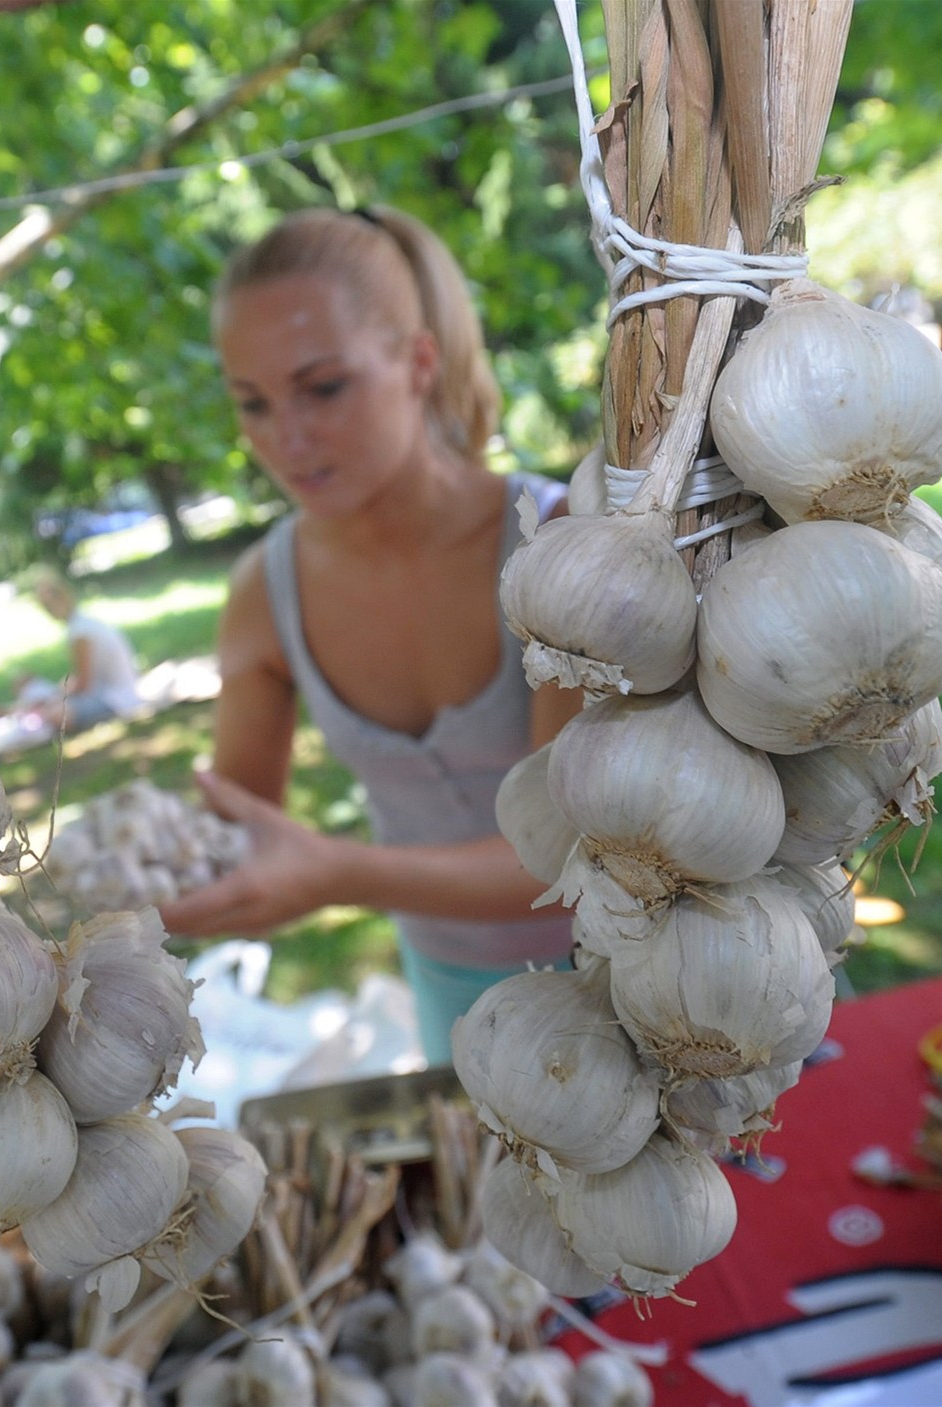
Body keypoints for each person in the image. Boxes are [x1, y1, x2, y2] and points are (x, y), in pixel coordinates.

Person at [157, 204, 582, 1066]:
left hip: (644, 967)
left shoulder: (557, 542)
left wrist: (338, 872)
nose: (287, 437)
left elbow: (583, 854)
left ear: (418, 362)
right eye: (252, 403)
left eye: (323, 387)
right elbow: (235, 841)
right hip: (454, 991)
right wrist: (129, 873)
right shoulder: (265, 591)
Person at [18, 566, 143, 731]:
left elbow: (84, 684)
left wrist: (56, 697)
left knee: (54, 713)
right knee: (36, 692)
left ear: (63, 596)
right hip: (114, 692)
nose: (49, 610)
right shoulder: (82, 624)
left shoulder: (80, 632)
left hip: (116, 699)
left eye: (50, 604)